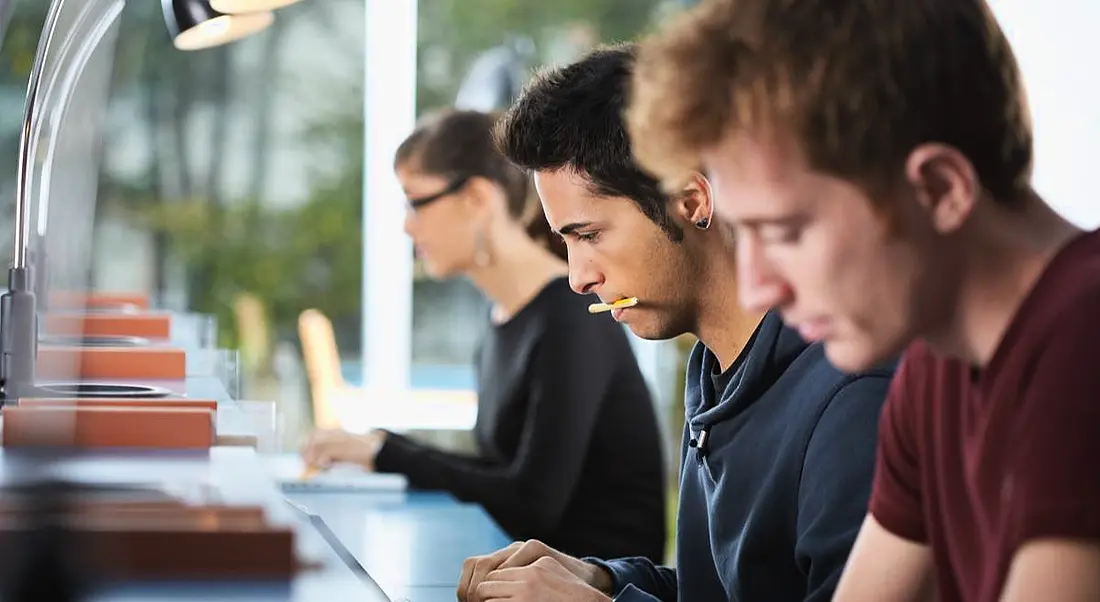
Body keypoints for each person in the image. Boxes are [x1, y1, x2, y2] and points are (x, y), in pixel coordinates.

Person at [625, 1, 1100, 601]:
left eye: (787, 232)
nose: (757, 288)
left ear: (938, 189)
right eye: (743, 235)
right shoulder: (935, 369)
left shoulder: (1083, 348)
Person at [456, 44, 895, 602]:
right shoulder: (716, 369)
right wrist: (604, 578)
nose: (577, 278)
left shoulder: (854, 397)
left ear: (690, 200)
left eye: (588, 235)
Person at [300, 108, 666, 563]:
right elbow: (500, 472)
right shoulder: (503, 318)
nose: (406, 225)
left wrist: (386, 453)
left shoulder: (572, 317)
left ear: (476, 198)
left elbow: (532, 502)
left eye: (415, 201)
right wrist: (381, 444)